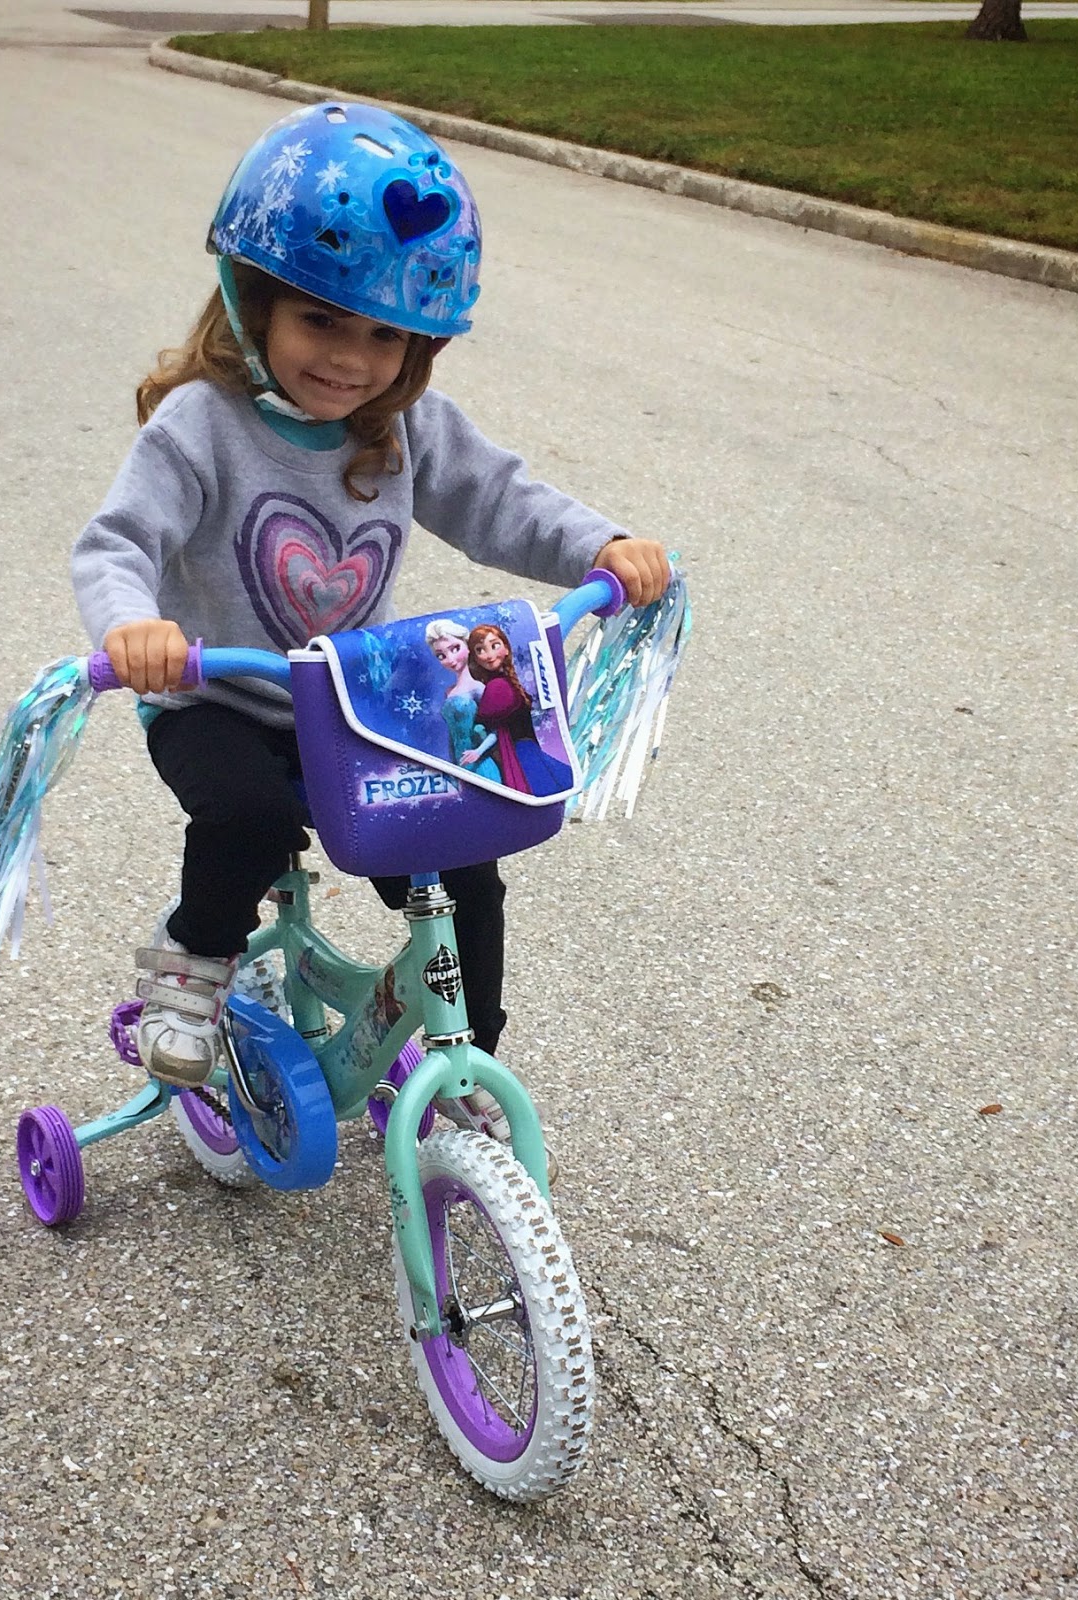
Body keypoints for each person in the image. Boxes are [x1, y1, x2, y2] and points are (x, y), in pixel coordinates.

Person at [71, 101, 669, 1093]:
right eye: (320, 318)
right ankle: (194, 961)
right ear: (252, 297)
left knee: (461, 854)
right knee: (251, 815)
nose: (349, 358)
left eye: (385, 335)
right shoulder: (199, 426)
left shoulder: (402, 426)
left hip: (340, 706)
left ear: (419, 348)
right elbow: (117, 542)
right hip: (212, 698)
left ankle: (466, 1052)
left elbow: (496, 497)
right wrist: (133, 628)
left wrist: (599, 546)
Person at [459, 623, 575, 796]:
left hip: (520, 753)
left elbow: (497, 730)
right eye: (480, 650)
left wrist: (478, 751)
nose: (489, 655)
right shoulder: (507, 683)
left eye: (494, 645)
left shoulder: (498, 687)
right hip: (528, 748)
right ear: (474, 658)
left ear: (506, 648)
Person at [425, 618, 502, 783]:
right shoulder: (449, 692)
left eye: (455, 649)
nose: (451, 659)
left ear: (468, 647)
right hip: (459, 766)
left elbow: (498, 729)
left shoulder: (477, 688)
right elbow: (452, 737)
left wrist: (479, 751)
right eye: (441, 655)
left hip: (480, 764)